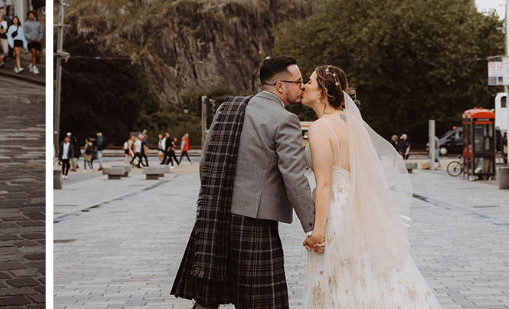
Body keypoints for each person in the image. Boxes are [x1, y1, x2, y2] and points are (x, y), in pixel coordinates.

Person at [172, 55, 315, 309]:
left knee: (208, 298)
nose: (302, 86)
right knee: (261, 302)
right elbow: (294, 176)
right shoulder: (285, 120)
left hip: (215, 216)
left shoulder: (226, 109)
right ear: (280, 86)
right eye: (299, 81)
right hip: (255, 224)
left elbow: (206, 163)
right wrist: (312, 225)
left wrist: (215, 202)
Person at [301, 65, 441, 308]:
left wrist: (318, 232)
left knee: (341, 279)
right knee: (368, 274)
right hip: (362, 210)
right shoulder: (353, 124)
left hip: (338, 210)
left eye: (310, 81)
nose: (304, 86)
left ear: (322, 91)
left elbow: (324, 184)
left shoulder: (320, 128)